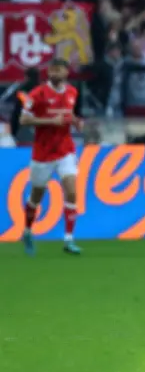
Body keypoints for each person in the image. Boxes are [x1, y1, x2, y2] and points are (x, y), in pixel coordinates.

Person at [18, 59, 83, 255]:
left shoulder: (72, 92)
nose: (54, 73)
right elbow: (24, 119)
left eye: (58, 70)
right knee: (36, 196)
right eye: (52, 70)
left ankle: (69, 239)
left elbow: (68, 115)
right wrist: (50, 121)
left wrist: (76, 122)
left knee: (71, 191)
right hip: (43, 153)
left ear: (66, 72)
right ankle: (27, 231)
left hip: (65, 150)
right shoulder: (37, 94)